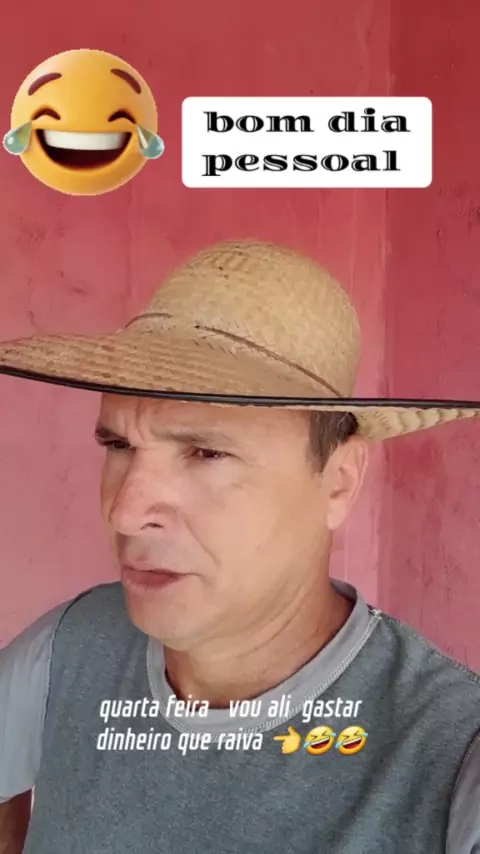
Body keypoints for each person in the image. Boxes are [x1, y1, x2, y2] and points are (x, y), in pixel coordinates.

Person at [0, 240, 479, 854]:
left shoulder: (451, 754)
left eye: (206, 453)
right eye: (118, 446)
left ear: (338, 481)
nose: (125, 512)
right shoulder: (67, 649)